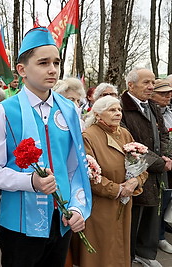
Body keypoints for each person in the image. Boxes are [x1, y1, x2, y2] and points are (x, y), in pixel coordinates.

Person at [0, 27, 92, 267]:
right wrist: (29, 181)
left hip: (61, 221)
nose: (52, 69)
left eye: (56, 62)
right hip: (19, 226)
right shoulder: (3, 112)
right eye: (43, 63)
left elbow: (75, 167)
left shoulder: (70, 109)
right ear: (22, 69)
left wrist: (77, 207)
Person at [73, 96, 147, 267]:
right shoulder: (88, 136)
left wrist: (136, 181)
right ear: (98, 115)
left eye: (119, 110)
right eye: (112, 110)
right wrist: (117, 190)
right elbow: (89, 175)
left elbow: (143, 166)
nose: (118, 113)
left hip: (124, 204)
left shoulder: (125, 133)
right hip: (101, 206)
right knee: (102, 253)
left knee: (120, 250)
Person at [120, 67, 172, 267]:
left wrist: (167, 156)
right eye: (146, 82)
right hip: (137, 171)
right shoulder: (121, 108)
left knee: (153, 213)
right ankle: (130, 256)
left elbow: (164, 133)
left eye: (153, 82)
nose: (151, 87)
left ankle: (145, 253)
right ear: (130, 85)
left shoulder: (152, 106)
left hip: (157, 171)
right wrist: (160, 163)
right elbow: (129, 144)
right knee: (135, 216)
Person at [150, 79, 172, 254]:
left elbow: (166, 136)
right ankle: (158, 237)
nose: (168, 96)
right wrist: (163, 159)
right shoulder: (152, 112)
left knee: (167, 198)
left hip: (167, 160)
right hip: (158, 163)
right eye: (163, 93)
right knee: (159, 201)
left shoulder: (169, 112)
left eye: (169, 92)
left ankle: (162, 232)